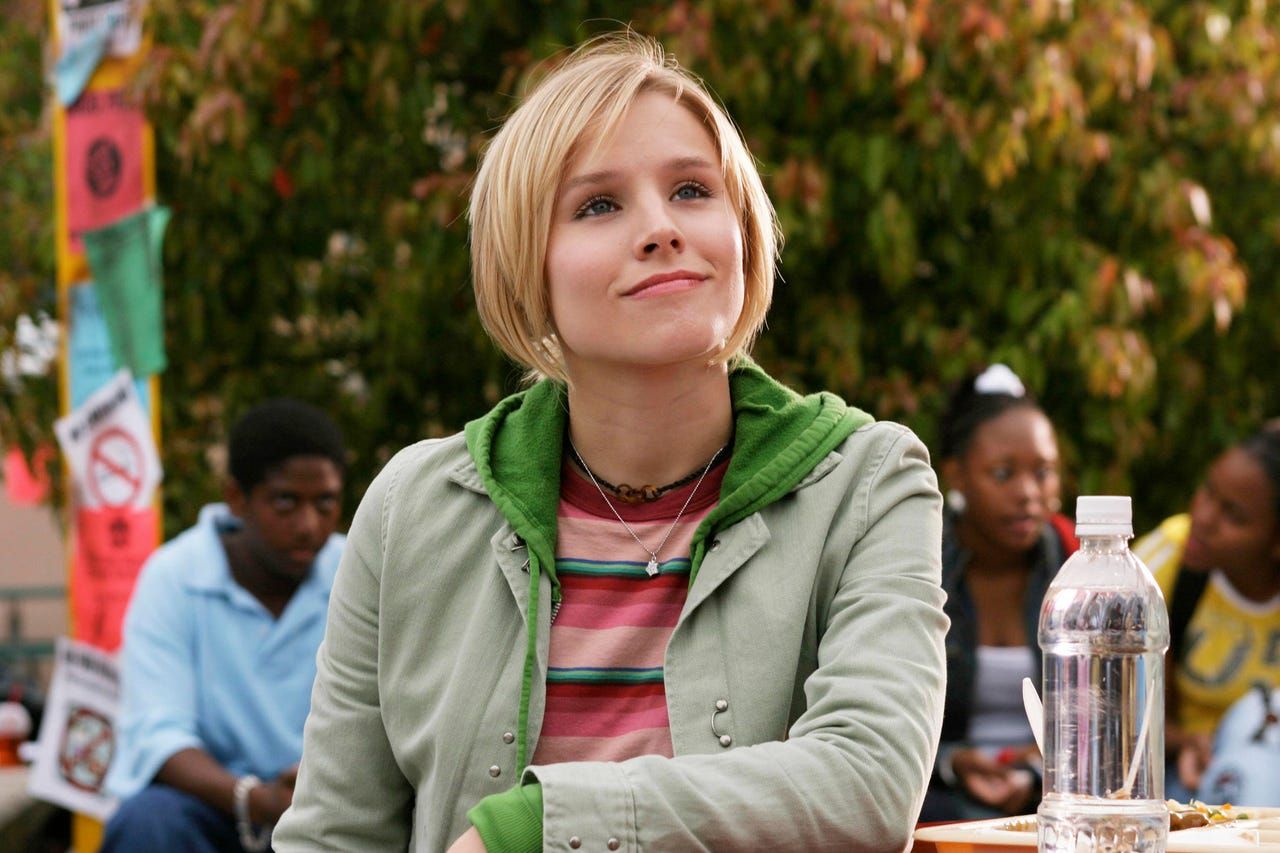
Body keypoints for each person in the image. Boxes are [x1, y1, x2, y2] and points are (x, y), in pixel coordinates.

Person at [274, 34, 948, 853]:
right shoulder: (409, 507)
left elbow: (867, 780)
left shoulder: (868, 481)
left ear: (742, 229)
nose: (661, 228)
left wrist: (533, 826)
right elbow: (333, 835)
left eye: (692, 190)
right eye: (598, 205)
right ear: (526, 268)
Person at [102, 399, 346, 853]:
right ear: (236, 498)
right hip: (215, 810)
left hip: (334, 810)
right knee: (147, 823)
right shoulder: (174, 577)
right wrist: (255, 799)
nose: (308, 525)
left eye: (325, 502)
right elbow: (158, 734)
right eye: (285, 502)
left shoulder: (356, 572)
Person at [922, 364, 1075, 821]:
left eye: (1043, 472)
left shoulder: (1073, 560)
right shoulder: (920, 564)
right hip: (938, 790)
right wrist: (951, 762)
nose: (1028, 493)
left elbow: (1104, 714)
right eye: (1004, 473)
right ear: (957, 475)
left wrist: (1035, 770)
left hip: (1053, 791)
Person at [1133, 421, 1280, 801]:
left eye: (1233, 515)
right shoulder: (1165, 560)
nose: (1202, 517)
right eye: (1208, 491)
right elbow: (1121, 706)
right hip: (1188, 775)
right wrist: (1183, 742)